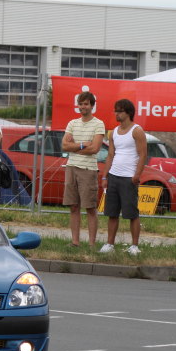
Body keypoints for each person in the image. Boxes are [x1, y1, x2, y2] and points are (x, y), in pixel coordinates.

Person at [100, 98, 146, 256]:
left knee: (132, 213)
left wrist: (136, 175)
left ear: (128, 113)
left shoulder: (137, 131)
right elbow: (110, 155)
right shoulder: (113, 132)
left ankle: (134, 246)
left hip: (129, 177)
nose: (116, 114)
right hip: (114, 176)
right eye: (115, 110)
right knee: (112, 213)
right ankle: (109, 244)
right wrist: (105, 176)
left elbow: (142, 155)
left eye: (119, 111)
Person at [62, 91, 106, 247]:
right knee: (73, 206)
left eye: (86, 104)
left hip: (88, 169)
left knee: (90, 207)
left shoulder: (98, 124)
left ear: (92, 105)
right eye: (80, 104)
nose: (82, 107)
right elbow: (64, 145)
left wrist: (73, 147)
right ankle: (75, 242)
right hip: (71, 167)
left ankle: (92, 244)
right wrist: (81, 145)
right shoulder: (72, 123)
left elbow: (94, 149)